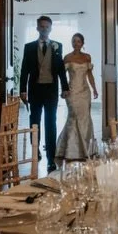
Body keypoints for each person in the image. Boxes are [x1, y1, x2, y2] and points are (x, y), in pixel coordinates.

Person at [20, 15, 70, 172]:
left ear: (50, 28)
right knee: (34, 122)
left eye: (47, 27)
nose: (44, 29)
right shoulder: (29, 47)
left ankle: (51, 158)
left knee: (51, 123)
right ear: (37, 28)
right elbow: (24, 70)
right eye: (41, 26)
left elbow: (61, 70)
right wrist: (23, 90)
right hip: (34, 90)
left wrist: (65, 87)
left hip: (51, 91)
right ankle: (35, 150)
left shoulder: (57, 46)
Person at [56, 33, 98, 166]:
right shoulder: (67, 57)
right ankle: (70, 150)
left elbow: (90, 75)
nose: (76, 43)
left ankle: (86, 149)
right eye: (74, 41)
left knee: (85, 118)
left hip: (85, 93)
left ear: (82, 43)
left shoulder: (87, 57)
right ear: (71, 43)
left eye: (78, 41)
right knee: (73, 116)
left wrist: (95, 89)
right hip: (72, 92)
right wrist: (63, 90)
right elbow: (62, 77)